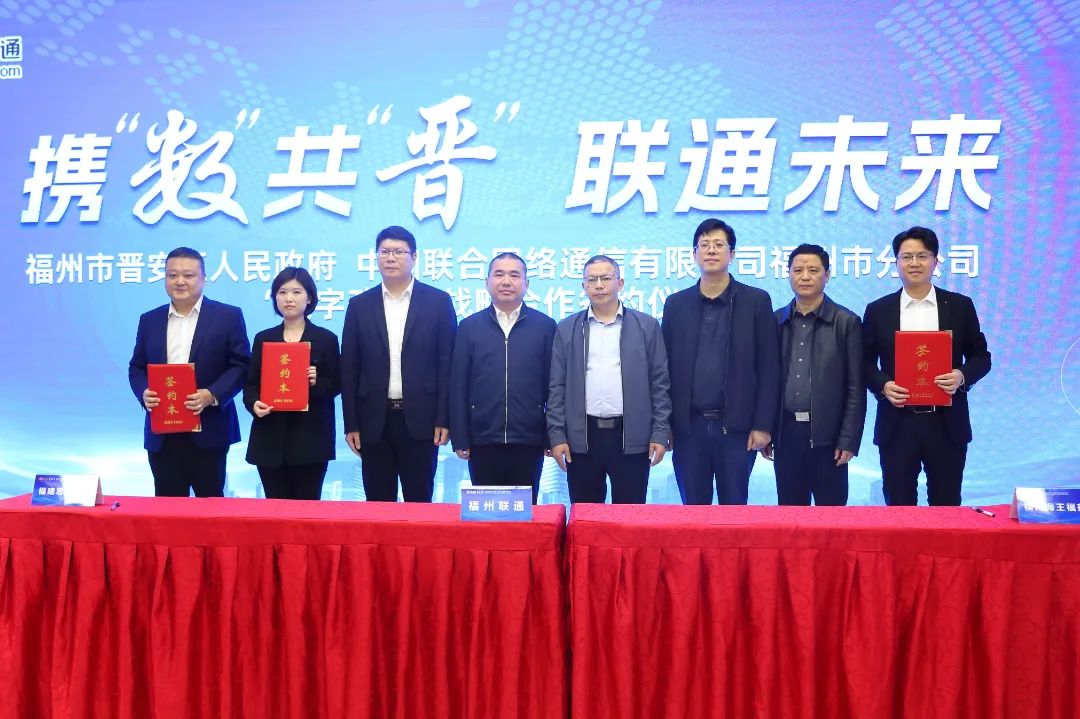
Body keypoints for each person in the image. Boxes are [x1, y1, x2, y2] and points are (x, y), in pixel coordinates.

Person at [862, 226, 991, 506]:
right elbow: (863, 362)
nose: (914, 263)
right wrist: (883, 385)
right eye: (906, 256)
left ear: (935, 260)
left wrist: (962, 375)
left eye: (922, 256)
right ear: (896, 262)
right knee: (899, 506)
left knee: (946, 505)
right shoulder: (878, 310)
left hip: (946, 422)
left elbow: (982, 357)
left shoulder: (959, 306)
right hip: (898, 422)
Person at [661, 219, 779, 505]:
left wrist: (763, 425)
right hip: (688, 430)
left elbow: (769, 368)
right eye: (704, 245)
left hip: (737, 430)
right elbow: (663, 370)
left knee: (734, 513)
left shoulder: (756, 301)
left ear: (732, 254)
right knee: (694, 513)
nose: (711, 250)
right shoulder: (676, 304)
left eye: (718, 244)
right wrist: (665, 425)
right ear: (694, 254)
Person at [340, 226, 457, 502]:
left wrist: (444, 418)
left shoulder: (438, 302)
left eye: (398, 252)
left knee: (420, 500)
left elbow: (447, 364)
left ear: (414, 257)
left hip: (422, 419)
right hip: (373, 420)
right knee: (378, 503)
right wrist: (351, 423)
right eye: (385, 252)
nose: (390, 258)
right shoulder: (359, 305)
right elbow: (350, 368)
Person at [547, 255, 670, 504]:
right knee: (586, 516)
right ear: (583, 286)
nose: (599, 285)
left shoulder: (646, 326)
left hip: (632, 436)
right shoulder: (567, 328)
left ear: (620, 283)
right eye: (592, 280)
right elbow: (557, 386)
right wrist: (557, 436)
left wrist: (659, 433)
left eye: (605, 278)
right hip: (582, 438)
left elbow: (659, 384)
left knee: (629, 516)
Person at [128, 246, 250, 497]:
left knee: (210, 507)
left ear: (203, 278)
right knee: (167, 508)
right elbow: (137, 367)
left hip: (209, 428)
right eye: (172, 275)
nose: (180, 281)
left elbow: (241, 365)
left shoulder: (227, 316)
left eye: (188, 275)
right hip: (162, 432)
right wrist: (144, 392)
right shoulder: (150, 320)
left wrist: (212, 394)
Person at [762, 244, 865, 505]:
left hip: (828, 439)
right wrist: (766, 428)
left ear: (827, 275)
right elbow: (766, 383)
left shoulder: (846, 322)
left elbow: (856, 387)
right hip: (786, 436)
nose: (805, 276)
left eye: (813, 270)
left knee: (831, 518)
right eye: (798, 270)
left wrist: (848, 439)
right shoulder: (775, 321)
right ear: (788, 274)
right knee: (791, 515)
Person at [450, 253, 556, 502]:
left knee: (524, 512)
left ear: (526, 284)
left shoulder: (545, 326)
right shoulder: (469, 327)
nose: (506, 281)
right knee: (486, 513)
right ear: (487, 282)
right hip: (482, 439)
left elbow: (554, 386)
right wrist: (460, 436)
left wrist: (551, 436)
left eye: (514, 275)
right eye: (499, 274)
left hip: (529, 439)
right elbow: (458, 386)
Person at [243, 267, 340, 500]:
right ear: (274, 298)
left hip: (311, 441)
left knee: (307, 511)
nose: (289, 298)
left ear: (310, 298)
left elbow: (337, 384)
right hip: (270, 439)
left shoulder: (326, 339)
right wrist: (254, 403)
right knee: (274, 511)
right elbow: (251, 384)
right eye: (282, 292)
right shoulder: (263, 338)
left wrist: (316, 382)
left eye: (297, 292)